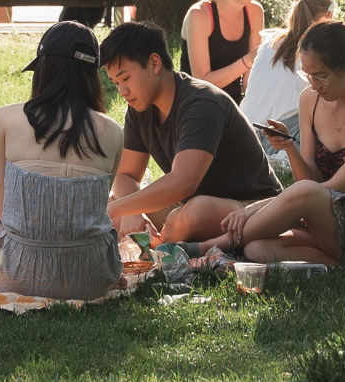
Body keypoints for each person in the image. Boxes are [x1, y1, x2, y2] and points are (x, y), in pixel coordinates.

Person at [206, 20, 345, 267]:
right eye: (307, 75)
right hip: (322, 222)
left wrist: (253, 209)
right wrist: (289, 146)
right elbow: (309, 181)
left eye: (321, 76)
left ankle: (207, 247)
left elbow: (332, 189)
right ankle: (344, 264)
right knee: (257, 249)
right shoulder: (310, 99)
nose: (313, 84)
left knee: (305, 196)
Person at [0, 22, 123, 300]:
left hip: (17, 275)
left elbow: (4, 212)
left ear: (43, 70)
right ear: (92, 76)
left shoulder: (4, 119)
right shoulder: (113, 132)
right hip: (91, 277)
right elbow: (97, 207)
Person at [102, 22, 283, 243]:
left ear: (154, 63)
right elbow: (126, 176)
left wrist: (119, 209)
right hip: (187, 204)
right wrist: (127, 211)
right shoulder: (139, 108)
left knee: (194, 213)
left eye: (126, 78)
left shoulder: (201, 103)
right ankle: (161, 243)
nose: (122, 91)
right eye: (116, 83)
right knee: (115, 207)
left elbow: (183, 183)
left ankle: (158, 247)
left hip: (250, 207)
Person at [239, 0, 335, 162]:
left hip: (243, 133)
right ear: (328, 15)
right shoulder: (319, 50)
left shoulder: (271, 42)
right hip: (278, 136)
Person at [180, 0, 265, 104]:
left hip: (234, 103)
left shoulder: (255, 12)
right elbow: (201, 82)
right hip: (195, 102)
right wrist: (248, 60)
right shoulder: (199, 15)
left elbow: (248, 82)